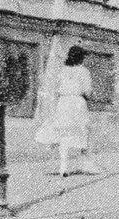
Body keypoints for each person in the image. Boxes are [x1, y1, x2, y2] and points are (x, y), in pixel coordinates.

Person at [34, 45, 98, 177]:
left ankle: (64, 167)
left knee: (64, 135)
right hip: (77, 103)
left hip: (63, 103)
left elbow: (55, 89)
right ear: (81, 58)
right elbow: (88, 92)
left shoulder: (62, 70)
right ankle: (87, 164)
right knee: (83, 132)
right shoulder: (84, 71)